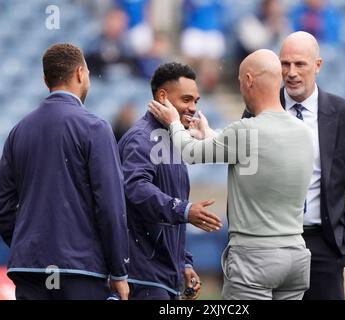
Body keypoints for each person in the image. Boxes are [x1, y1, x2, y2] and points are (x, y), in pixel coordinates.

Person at [149, 49, 315, 300]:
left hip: (255, 258)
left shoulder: (246, 130)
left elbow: (191, 153)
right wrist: (209, 134)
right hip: (296, 255)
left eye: (239, 81)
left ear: (249, 80)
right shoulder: (302, 131)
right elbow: (254, 153)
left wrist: (173, 121)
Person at [243, 32, 345, 299]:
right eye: (285, 64)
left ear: (318, 65)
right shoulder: (256, 110)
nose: (291, 73)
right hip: (270, 243)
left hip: (323, 244)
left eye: (299, 64)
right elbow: (245, 176)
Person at [0, 44, 129, 300]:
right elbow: (111, 206)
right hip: (79, 270)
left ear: (45, 79)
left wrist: (28, 244)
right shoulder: (95, 127)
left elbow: (3, 207)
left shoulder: (18, 131)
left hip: (29, 269)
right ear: (81, 73)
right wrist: (119, 271)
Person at [118, 62, 223, 300]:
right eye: (186, 100)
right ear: (162, 96)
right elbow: (135, 188)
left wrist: (183, 262)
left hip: (163, 276)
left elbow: (171, 213)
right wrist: (185, 210)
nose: (193, 108)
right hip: (141, 275)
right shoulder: (141, 138)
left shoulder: (174, 141)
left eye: (196, 101)